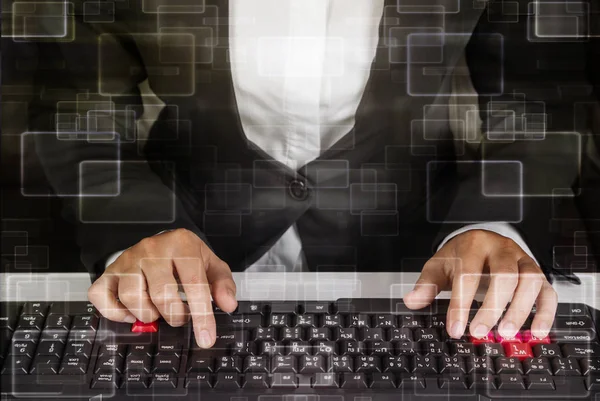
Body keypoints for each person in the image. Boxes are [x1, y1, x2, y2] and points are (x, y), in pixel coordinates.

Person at [12, 0, 598, 349]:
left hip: (421, 271)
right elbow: (77, 106)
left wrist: (494, 224)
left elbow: (538, 100)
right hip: (182, 258)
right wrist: (133, 229)